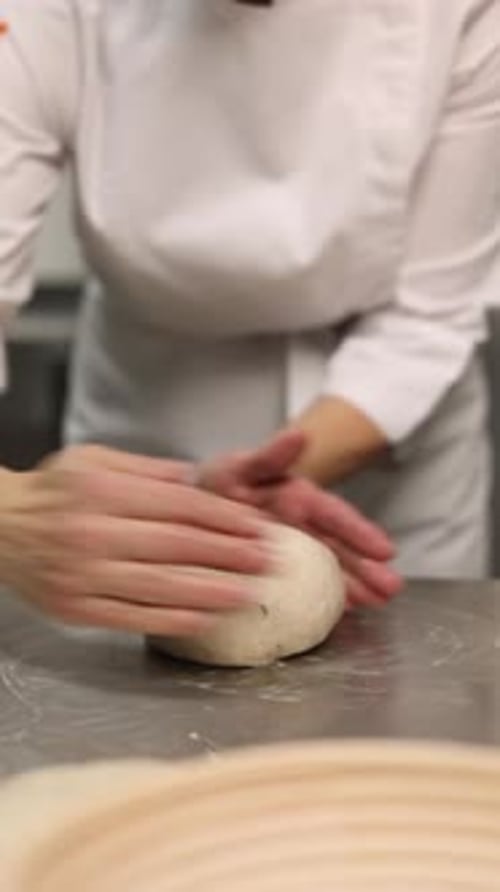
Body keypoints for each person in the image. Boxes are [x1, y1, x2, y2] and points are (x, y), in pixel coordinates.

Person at [0, 0, 498, 635]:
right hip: (145, 442)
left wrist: (273, 479)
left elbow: (429, 314)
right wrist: (10, 514)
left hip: (395, 469)